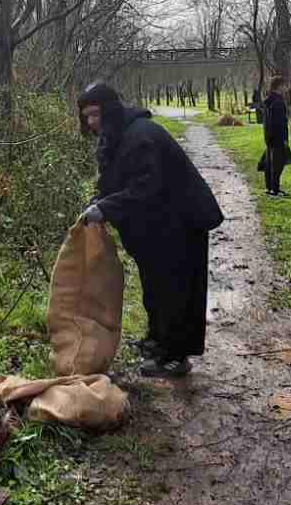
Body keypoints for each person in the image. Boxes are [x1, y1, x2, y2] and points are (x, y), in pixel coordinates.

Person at [76, 81, 224, 379]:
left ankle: (175, 357)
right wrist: (98, 201)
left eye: (95, 114)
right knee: (155, 287)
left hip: (181, 220)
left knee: (175, 290)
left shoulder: (141, 136)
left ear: (110, 110)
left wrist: (107, 208)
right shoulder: (115, 138)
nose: (91, 122)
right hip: (159, 224)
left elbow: (146, 187)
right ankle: (157, 342)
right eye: (86, 116)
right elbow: (112, 181)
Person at [259, 75, 291, 196]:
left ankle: (269, 187)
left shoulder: (268, 100)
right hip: (277, 137)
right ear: (279, 86)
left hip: (268, 137)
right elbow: (280, 123)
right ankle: (275, 190)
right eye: (284, 85)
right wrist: (284, 139)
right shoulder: (278, 102)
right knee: (277, 164)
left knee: (269, 163)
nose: (285, 88)